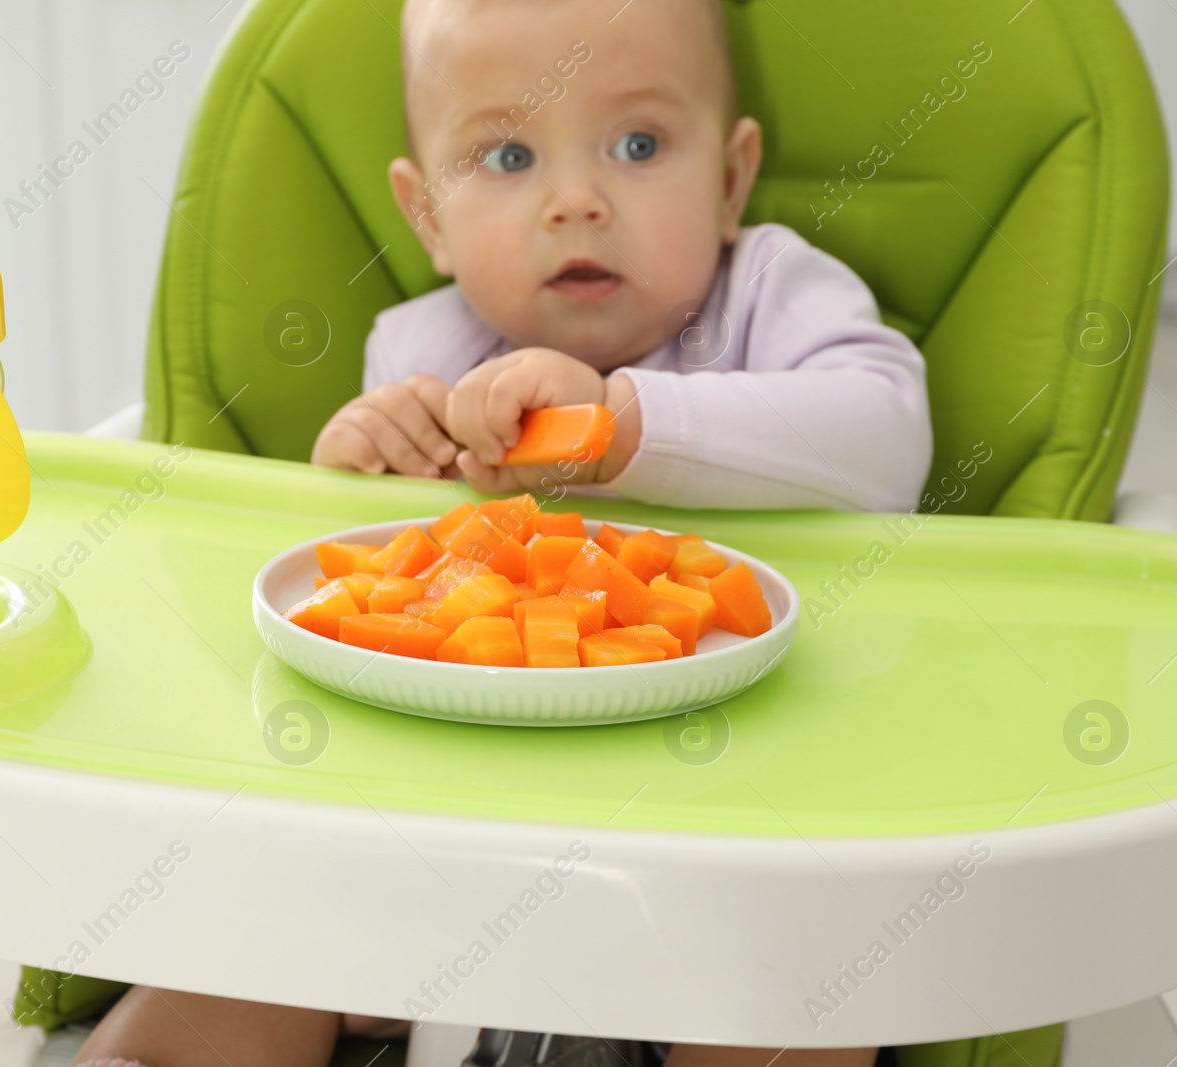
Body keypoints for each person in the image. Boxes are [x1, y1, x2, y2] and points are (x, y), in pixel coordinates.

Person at [75, 0, 928, 1063]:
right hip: (418, 866)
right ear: (425, 213)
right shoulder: (419, 350)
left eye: (637, 144)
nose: (575, 200)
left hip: (730, 855)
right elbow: (378, 605)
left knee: (805, 1003)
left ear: (729, 177)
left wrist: (626, 427)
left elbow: (889, 435)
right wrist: (352, 483)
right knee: (234, 948)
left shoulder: (768, 294)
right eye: (508, 154)